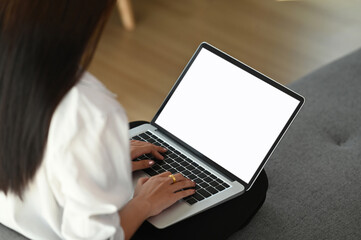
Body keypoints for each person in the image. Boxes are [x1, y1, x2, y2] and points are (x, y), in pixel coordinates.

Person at [0, 1, 268, 240]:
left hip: (15, 207)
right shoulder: (92, 111)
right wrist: (143, 204)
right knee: (254, 187)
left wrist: (100, 159)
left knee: (137, 129)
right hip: (56, 229)